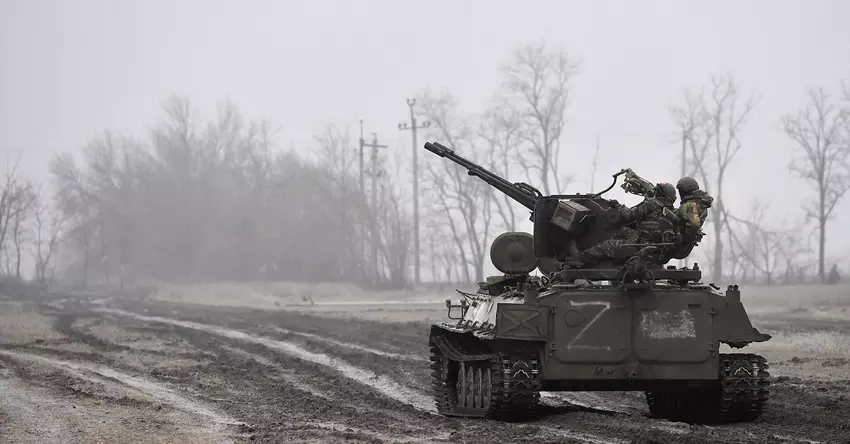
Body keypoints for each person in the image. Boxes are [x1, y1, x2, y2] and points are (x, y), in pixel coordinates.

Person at [577, 182, 680, 266]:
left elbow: (631, 215)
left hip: (640, 244)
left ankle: (579, 259)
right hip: (653, 244)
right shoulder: (670, 211)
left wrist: (617, 205)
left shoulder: (652, 203)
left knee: (604, 246)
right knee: (623, 230)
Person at [667, 177, 715, 260]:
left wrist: (685, 240)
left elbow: (694, 224)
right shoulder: (699, 204)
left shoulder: (690, 205)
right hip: (685, 245)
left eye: (681, 191)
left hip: (679, 245)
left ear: (685, 191)